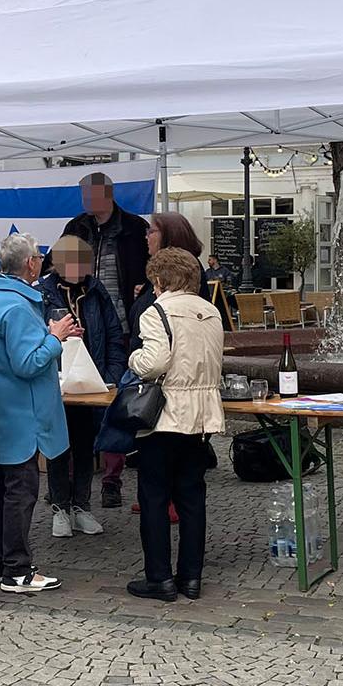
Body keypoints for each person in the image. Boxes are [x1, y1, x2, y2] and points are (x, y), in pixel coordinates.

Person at [0, 232, 80, 594]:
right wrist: (56, 336)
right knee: (20, 491)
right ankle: (17, 570)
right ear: (31, 264)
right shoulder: (18, 307)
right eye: (38, 257)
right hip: (19, 414)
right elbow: (28, 362)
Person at [124, 248, 225, 602]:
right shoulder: (211, 311)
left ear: (160, 279)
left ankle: (160, 580)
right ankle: (191, 578)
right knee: (192, 497)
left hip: (165, 415)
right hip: (202, 416)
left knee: (153, 497)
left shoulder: (157, 312)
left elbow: (154, 363)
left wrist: (133, 356)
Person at [114, 210, 210, 516]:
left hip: (167, 381)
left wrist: (135, 357)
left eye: (151, 231)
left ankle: (165, 501)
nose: (146, 237)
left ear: (167, 235)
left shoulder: (189, 275)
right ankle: (160, 499)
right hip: (159, 380)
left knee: (166, 451)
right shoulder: (156, 277)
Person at [38, 234, 125, 537]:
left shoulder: (97, 291)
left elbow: (114, 335)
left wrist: (110, 375)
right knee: (58, 446)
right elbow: (35, 335)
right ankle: (60, 506)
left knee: (86, 445)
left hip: (92, 381)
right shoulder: (43, 293)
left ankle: (81, 505)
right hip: (56, 381)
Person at [61, 172, 150, 325]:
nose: (85, 201)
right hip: (84, 317)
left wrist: (144, 289)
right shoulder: (76, 227)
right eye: (84, 196)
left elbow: (152, 268)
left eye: (90, 196)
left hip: (124, 319)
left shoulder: (136, 227)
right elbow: (58, 266)